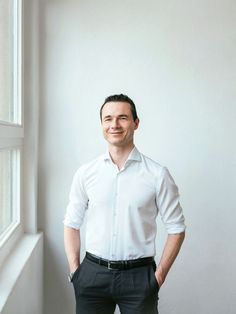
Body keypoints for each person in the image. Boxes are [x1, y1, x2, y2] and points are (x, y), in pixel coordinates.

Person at [64, 94, 186, 314]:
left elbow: (176, 229)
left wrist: (158, 277)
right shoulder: (86, 173)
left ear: (136, 123)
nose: (114, 125)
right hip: (92, 275)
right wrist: (76, 271)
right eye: (108, 118)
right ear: (102, 124)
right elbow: (71, 223)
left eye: (123, 118)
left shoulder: (157, 175)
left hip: (139, 278)